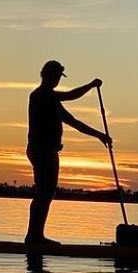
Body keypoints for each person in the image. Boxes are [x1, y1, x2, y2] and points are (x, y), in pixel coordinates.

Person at [25, 60, 111, 245]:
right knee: (43, 193)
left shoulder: (53, 102)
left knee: (47, 193)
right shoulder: (40, 96)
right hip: (41, 150)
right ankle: (34, 236)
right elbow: (71, 95)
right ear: (46, 75)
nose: (57, 80)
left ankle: (36, 235)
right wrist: (91, 85)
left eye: (58, 77)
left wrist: (100, 136)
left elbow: (74, 122)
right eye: (55, 76)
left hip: (49, 151)